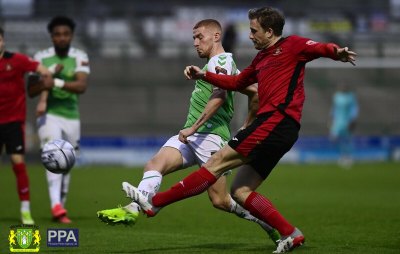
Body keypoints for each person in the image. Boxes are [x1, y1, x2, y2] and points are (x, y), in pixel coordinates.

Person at [123, 7, 356, 254]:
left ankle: (154, 204)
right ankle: (291, 233)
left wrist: (336, 52)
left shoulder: (292, 45)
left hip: (275, 121)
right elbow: (236, 83)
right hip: (281, 128)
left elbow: (318, 48)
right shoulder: (261, 59)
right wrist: (204, 75)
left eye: (254, 31)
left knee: (214, 164)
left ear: (269, 31)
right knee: (241, 190)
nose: (250, 36)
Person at [97, 19, 280, 245]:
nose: (195, 43)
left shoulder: (221, 61)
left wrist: (196, 127)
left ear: (216, 36)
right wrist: (246, 125)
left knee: (220, 200)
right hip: (193, 136)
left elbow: (220, 96)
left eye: (199, 37)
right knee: (155, 165)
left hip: (210, 137)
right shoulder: (216, 65)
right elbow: (255, 93)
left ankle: (266, 223)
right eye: (193, 38)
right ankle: (133, 209)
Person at [28, 16, 90, 224]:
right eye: (57, 34)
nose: (61, 38)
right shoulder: (40, 58)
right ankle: (56, 206)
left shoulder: (79, 56)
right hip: (49, 115)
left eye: (65, 34)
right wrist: (44, 81)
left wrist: (52, 80)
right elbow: (31, 89)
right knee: (53, 155)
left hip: (72, 117)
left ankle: (60, 206)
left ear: (71, 36)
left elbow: (81, 86)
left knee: (68, 162)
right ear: (51, 37)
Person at [0, 27, 52, 225]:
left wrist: (43, 98)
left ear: (3, 41)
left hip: (13, 122)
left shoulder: (17, 60)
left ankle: (25, 210)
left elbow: (44, 72)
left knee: (17, 163)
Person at [330, 83, 358, 168]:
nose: (342, 87)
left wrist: (353, 120)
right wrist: (331, 118)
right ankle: (342, 155)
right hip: (337, 122)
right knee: (333, 138)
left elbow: (354, 109)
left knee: (347, 139)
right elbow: (334, 108)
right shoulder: (337, 96)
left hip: (347, 121)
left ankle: (348, 157)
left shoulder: (351, 97)